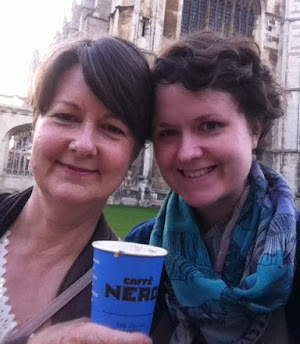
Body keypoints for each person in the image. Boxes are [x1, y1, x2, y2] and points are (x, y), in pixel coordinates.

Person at [126, 31, 300, 343]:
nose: (187, 152)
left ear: (255, 131)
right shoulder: (139, 249)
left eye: (210, 126)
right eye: (167, 132)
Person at [1, 36, 153, 344]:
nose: (83, 145)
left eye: (112, 129)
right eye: (66, 117)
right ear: (35, 125)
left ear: (133, 155)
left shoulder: (131, 292)